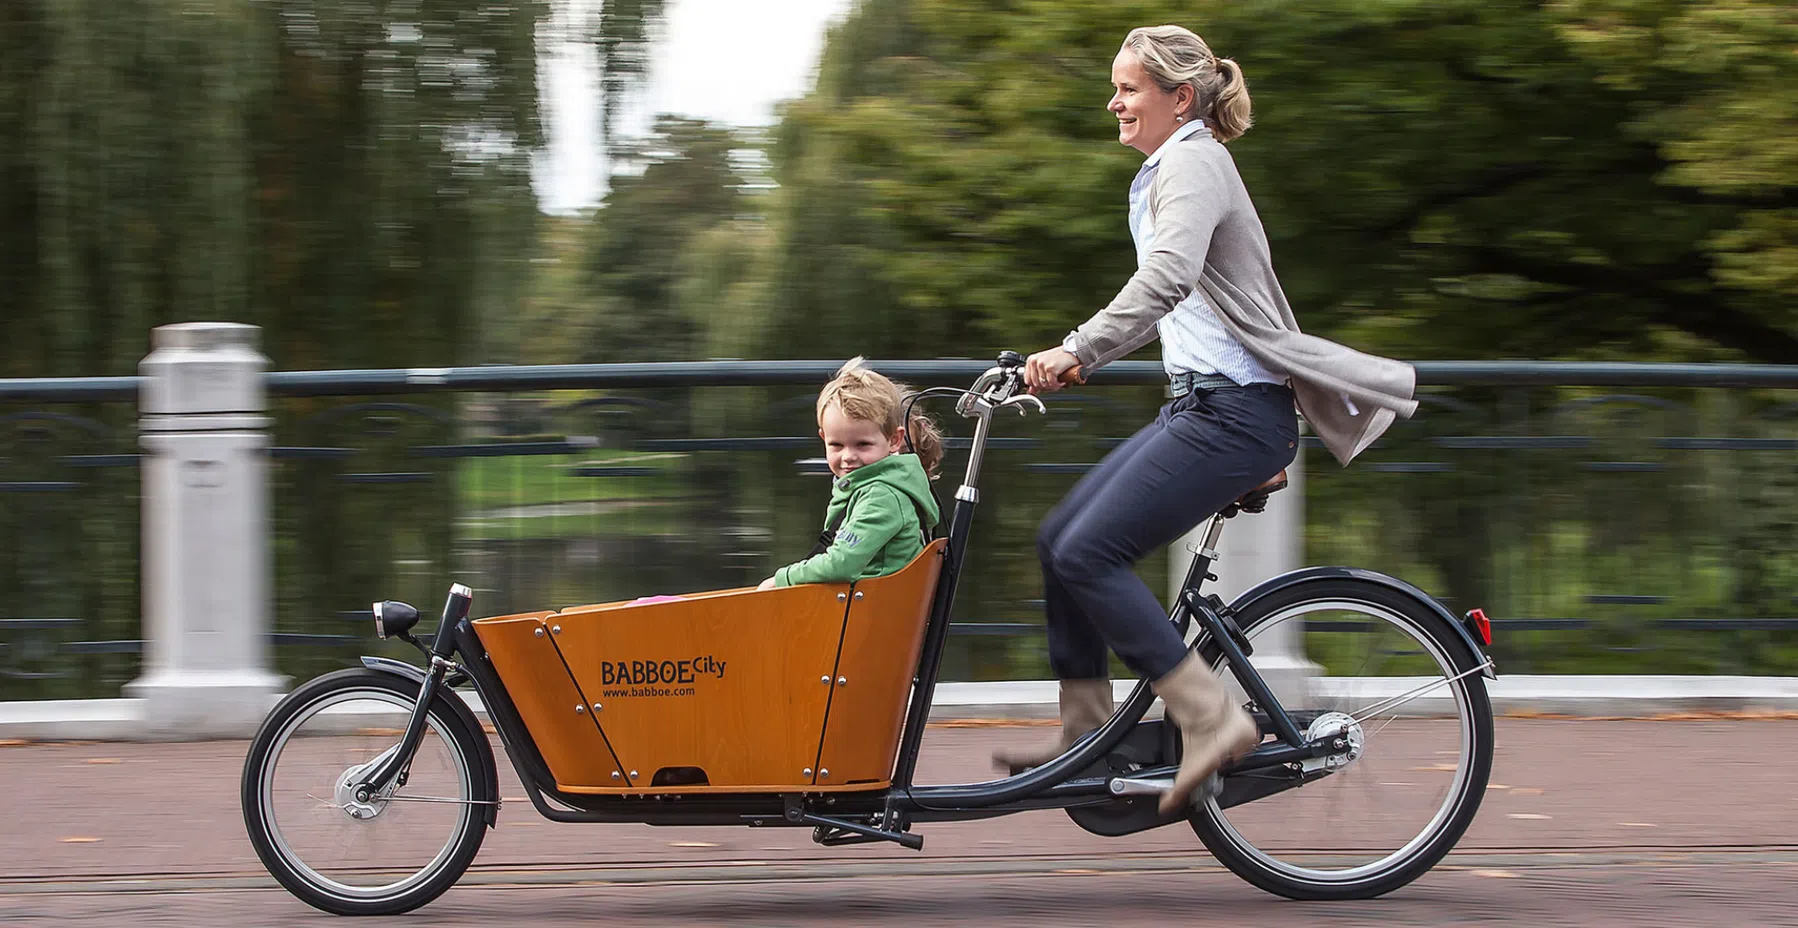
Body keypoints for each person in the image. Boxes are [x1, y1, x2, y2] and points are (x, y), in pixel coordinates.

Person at [995, 25, 1419, 814]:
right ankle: (1088, 732)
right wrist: (1070, 361)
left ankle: (1213, 717)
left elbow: (1166, 277)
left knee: (1090, 552)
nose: (1114, 101)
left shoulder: (1193, 161)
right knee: (1059, 542)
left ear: (1179, 98)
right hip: (1201, 406)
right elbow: (1186, 305)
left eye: (1128, 88)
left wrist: (1078, 348)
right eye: (1115, 86)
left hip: (1236, 416)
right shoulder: (1168, 170)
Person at [758, 357, 943, 590]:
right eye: (837, 445)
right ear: (823, 438)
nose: (848, 456)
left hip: (871, 614)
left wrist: (781, 580)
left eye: (862, 444)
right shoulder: (877, 485)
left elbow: (842, 564)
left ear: (894, 440)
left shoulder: (881, 496)